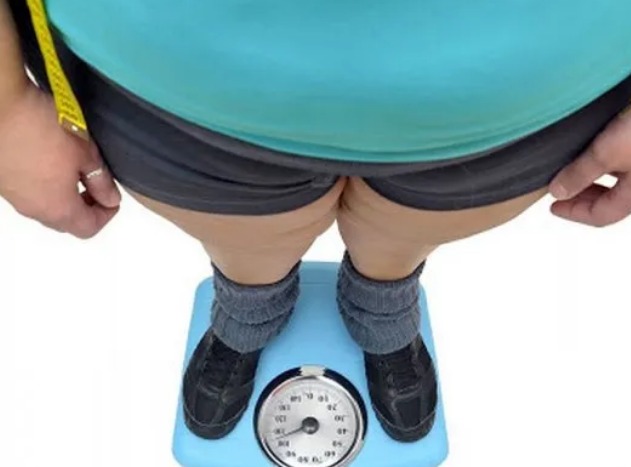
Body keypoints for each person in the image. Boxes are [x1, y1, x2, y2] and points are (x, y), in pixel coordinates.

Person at [2, 0, 631, 443]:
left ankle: (384, 305)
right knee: (245, 241)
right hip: (169, 88)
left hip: (520, 105)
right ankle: (248, 307)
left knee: (406, 233)